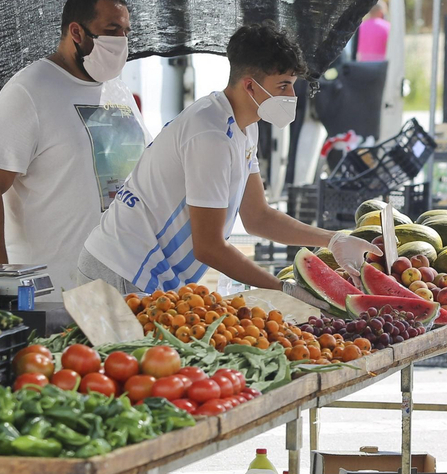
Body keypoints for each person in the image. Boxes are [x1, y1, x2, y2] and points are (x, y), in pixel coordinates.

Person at [78, 23, 377, 294]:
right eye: (283, 86)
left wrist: (333, 239)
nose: (291, 96)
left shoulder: (246, 127)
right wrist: (282, 288)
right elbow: (208, 248)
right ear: (249, 85)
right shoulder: (210, 134)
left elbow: (257, 216)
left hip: (150, 275)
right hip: (119, 270)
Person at [0, 0, 147, 292]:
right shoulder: (30, 90)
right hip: (55, 295)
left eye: (126, 31)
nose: (122, 42)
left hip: (125, 289)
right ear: (76, 32)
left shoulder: (118, 90)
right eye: (111, 30)